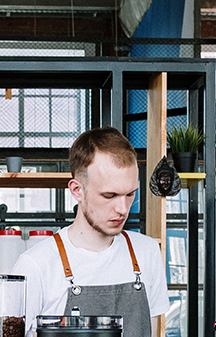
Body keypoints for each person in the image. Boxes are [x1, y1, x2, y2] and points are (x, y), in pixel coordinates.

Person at [11, 126, 170, 337]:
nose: (123, 209)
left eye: (130, 194)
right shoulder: (35, 265)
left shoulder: (147, 252)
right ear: (77, 190)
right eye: (109, 195)